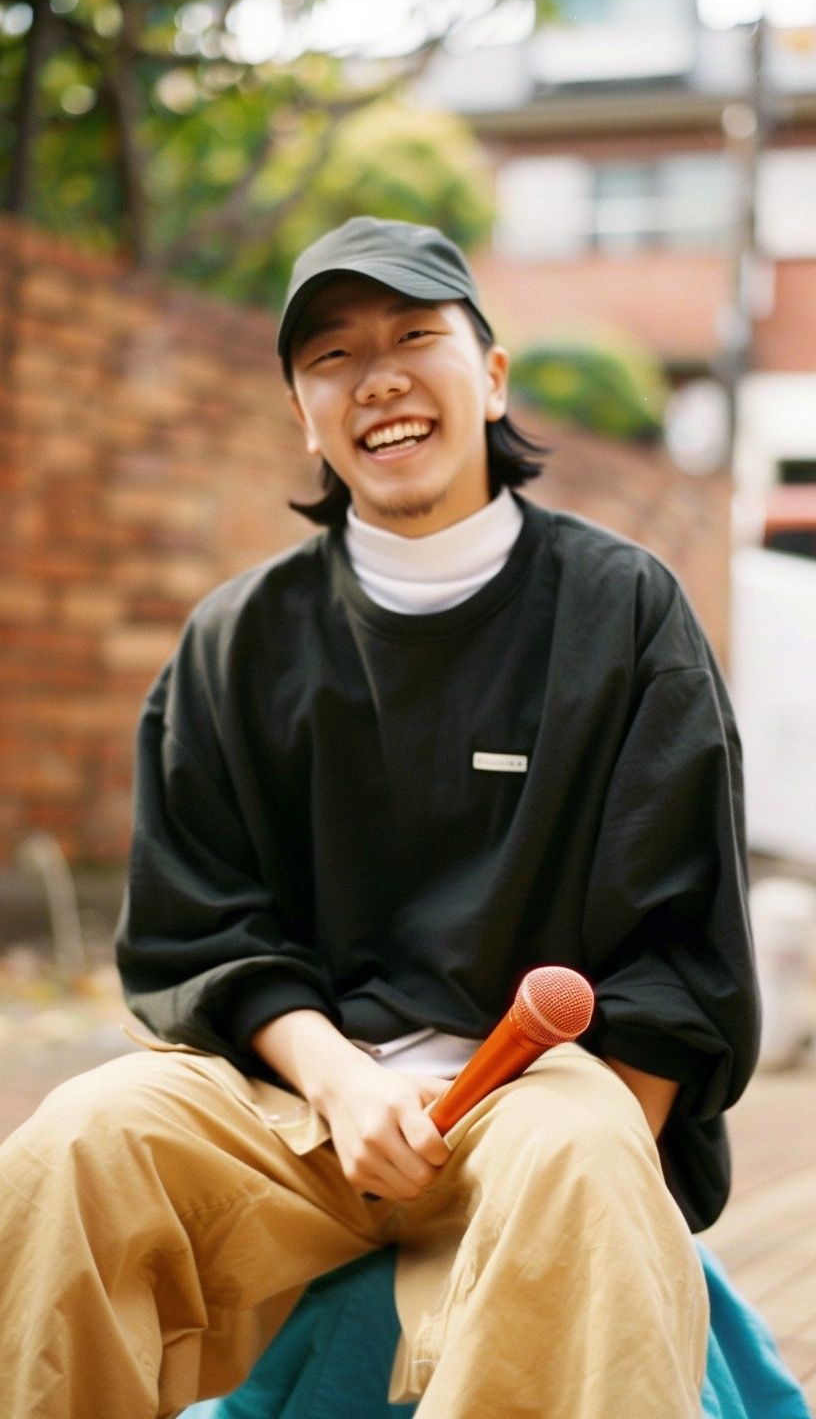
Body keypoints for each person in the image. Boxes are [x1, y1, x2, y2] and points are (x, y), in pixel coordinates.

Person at [0, 216, 760, 1419]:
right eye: (333, 357)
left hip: (537, 1097)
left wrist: (599, 1162)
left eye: (416, 335)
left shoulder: (621, 613)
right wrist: (345, 1085)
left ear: (493, 374)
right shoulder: (238, 640)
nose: (381, 377)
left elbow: (678, 965)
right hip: (300, 1108)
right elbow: (204, 933)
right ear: (304, 412)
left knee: (584, 1152)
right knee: (78, 1141)